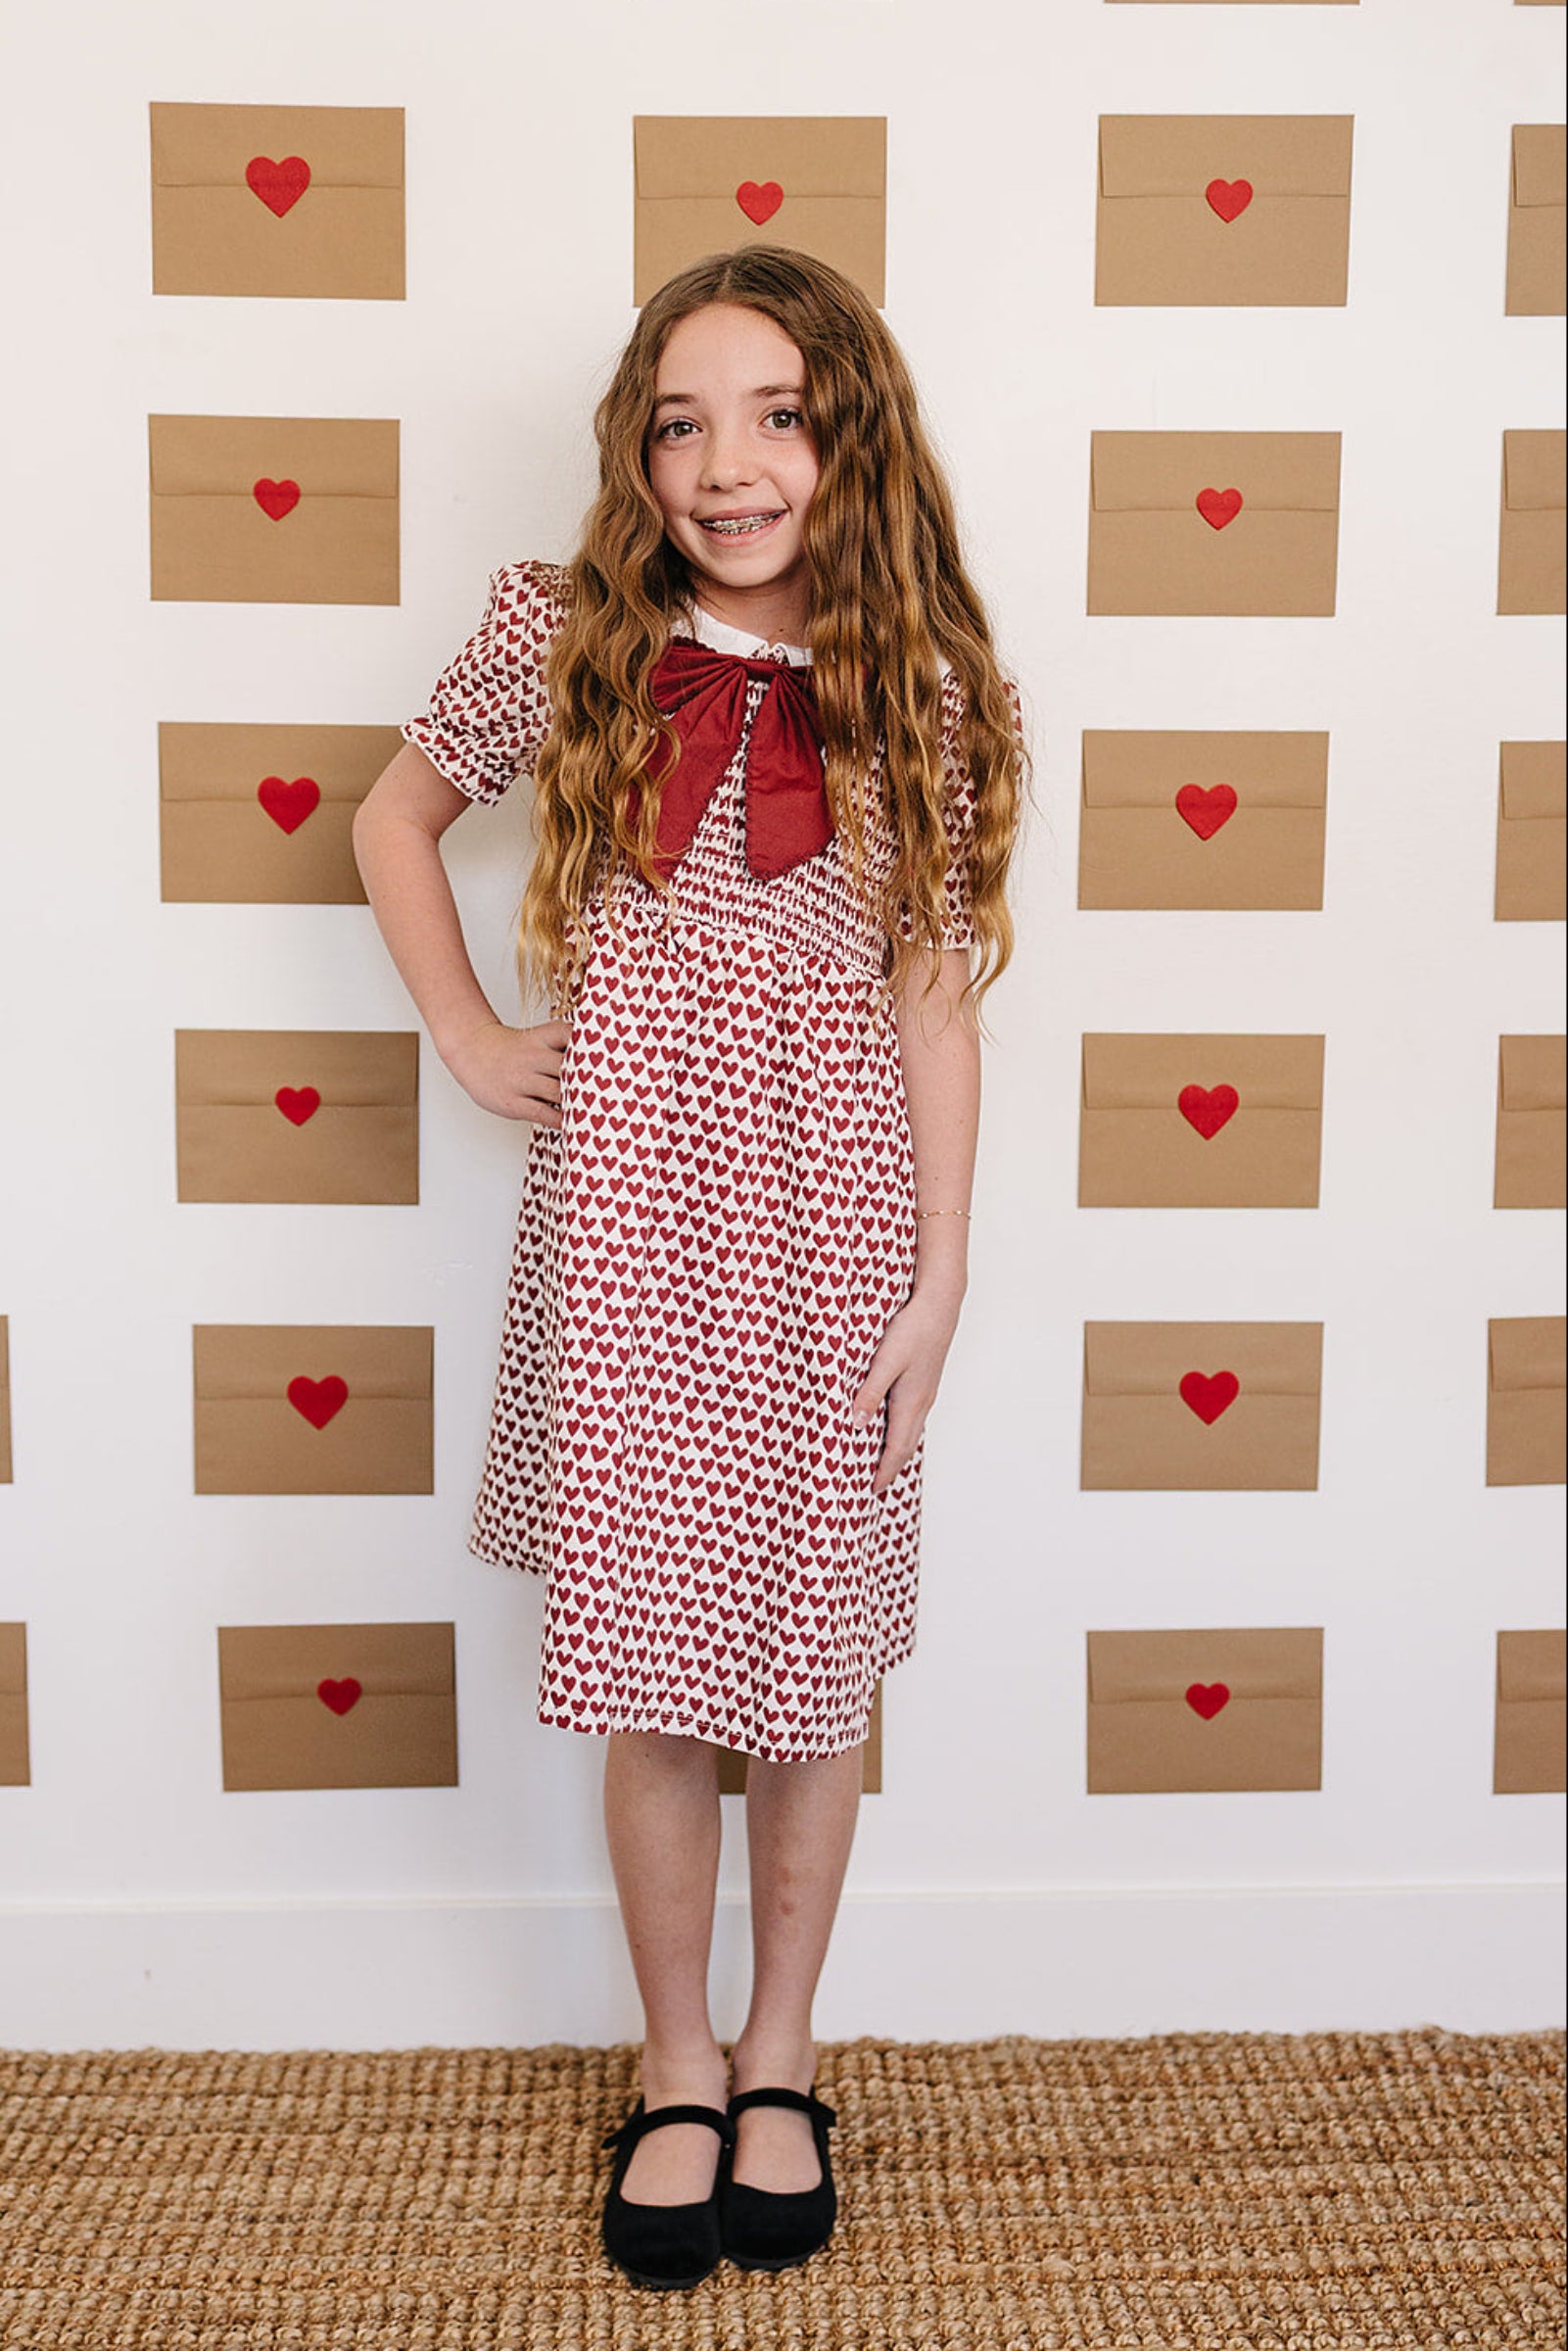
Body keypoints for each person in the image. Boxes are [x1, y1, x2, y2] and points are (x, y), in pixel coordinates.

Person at [352, 244, 1026, 2293]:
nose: (725, 466)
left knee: (809, 1675)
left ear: (850, 438)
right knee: (654, 1673)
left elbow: (933, 995)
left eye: (775, 417)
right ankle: (672, 2064)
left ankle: (779, 2051)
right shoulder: (566, 637)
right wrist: (472, 1037)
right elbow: (392, 821)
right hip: (634, 1231)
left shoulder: (922, 688)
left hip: (837, 1232)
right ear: (636, 455)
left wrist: (942, 1277)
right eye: (679, 424)